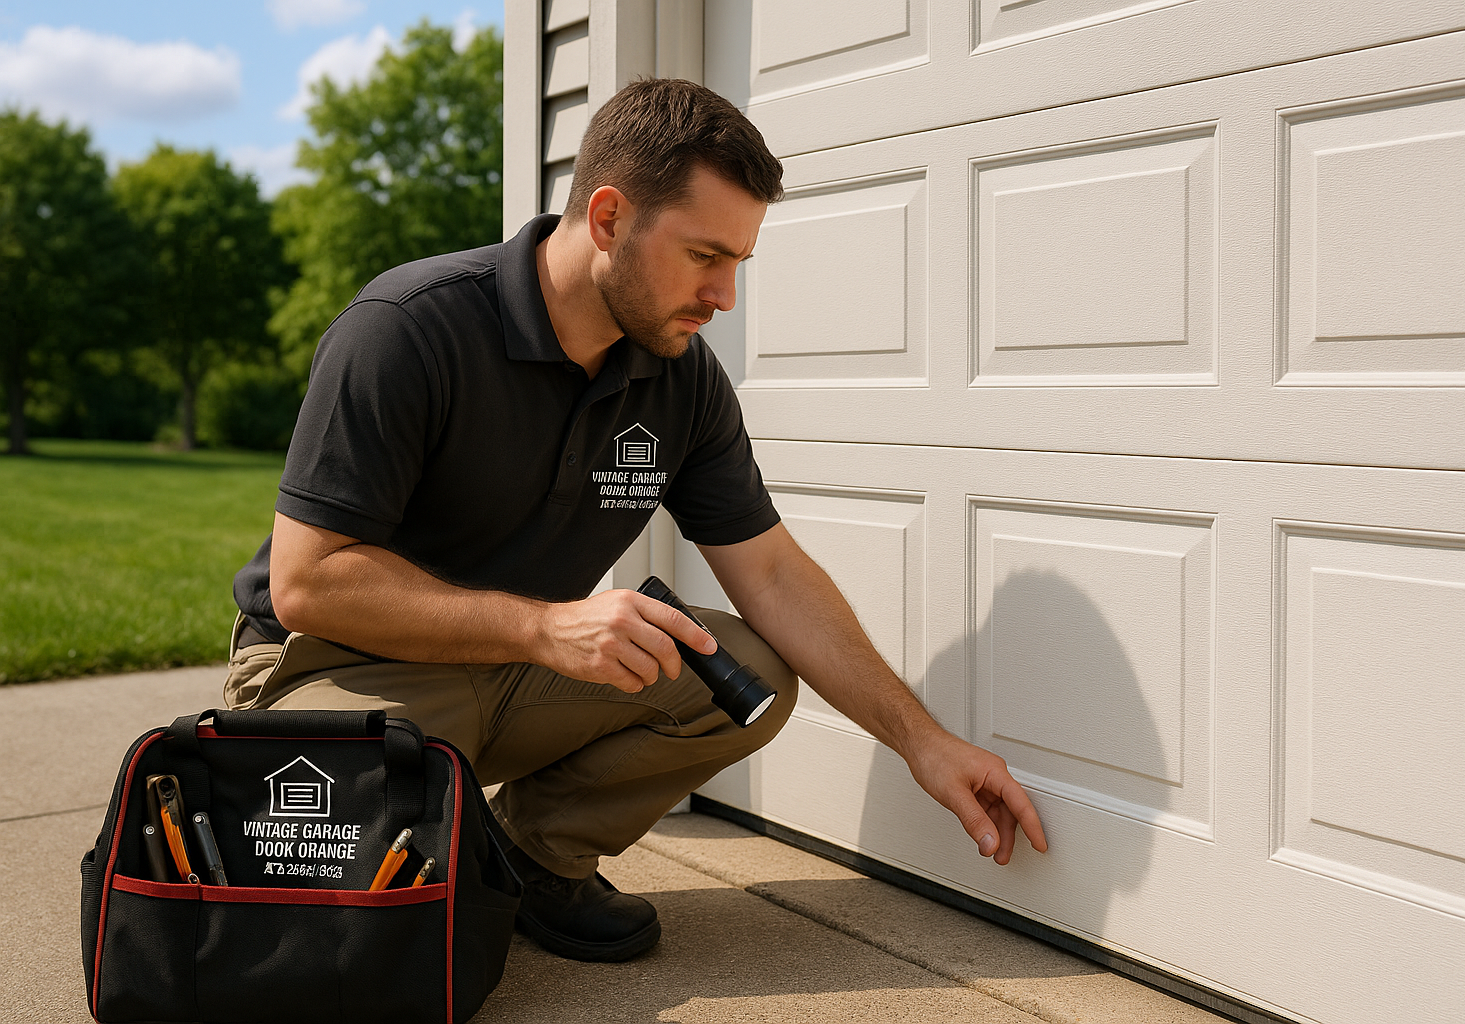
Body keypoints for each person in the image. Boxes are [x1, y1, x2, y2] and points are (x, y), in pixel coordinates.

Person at [224, 78, 1047, 964]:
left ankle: (535, 858)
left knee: (745, 674)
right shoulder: (407, 329)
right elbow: (306, 584)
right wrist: (543, 626)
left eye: (738, 262)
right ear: (609, 217)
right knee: (362, 956)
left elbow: (769, 576)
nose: (724, 296)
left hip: (512, 667)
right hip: (341, 671)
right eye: (703, 255)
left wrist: (921, 745)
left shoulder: (680, 378)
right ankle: (434, 840)